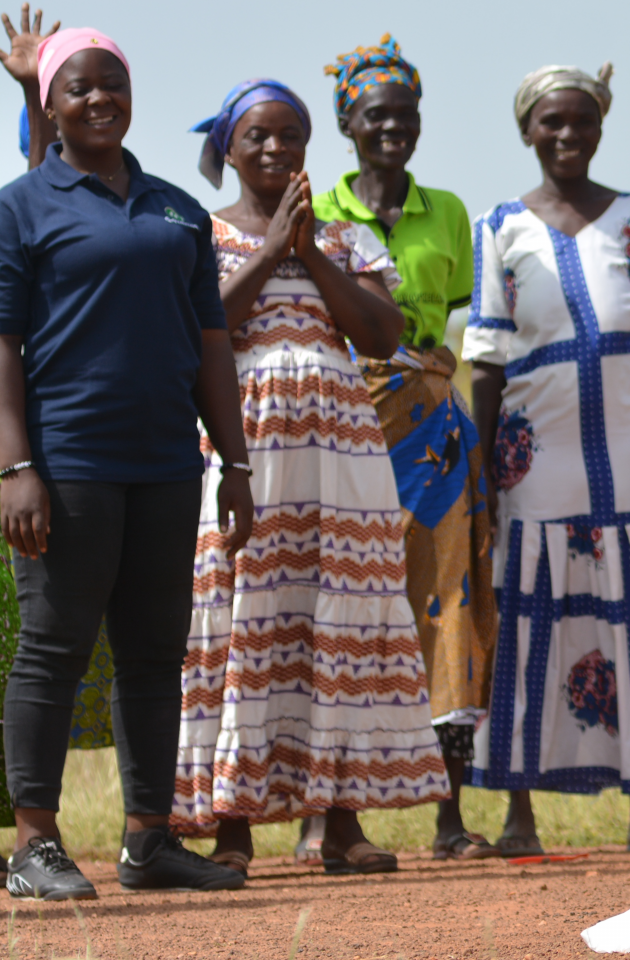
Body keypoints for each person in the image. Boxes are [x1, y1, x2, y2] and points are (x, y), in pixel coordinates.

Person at [171, 78, 449, 877]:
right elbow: (202, 327)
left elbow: (383, 332)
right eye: (257, 136)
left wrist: (308, 253)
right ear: (227, 148)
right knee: (243, 617)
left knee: (339, 618)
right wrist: (267, 254)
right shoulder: (199, 234)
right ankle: (232, 829)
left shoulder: (341, 238)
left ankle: (342, 819)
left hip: (339, 454)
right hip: (242, 446)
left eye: (289, 135)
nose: (274, 148)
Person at [0, 23, 253, 899]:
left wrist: (236, 462)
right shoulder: (21, 206)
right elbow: (2, 344)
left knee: (155, 651)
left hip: (166, 464)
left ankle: (149, 841)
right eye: (78, 87)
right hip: (66, 462)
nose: (100, 98)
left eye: (113, 83)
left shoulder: (178, 208)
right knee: (55, 647)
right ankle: (35, 845)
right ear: (51, 106)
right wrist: (13, 469)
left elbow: (211, 343)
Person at [464, 63, 630, 855]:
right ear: (527, 131)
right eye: (550, 123)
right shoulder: (501, 227)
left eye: (581, 122)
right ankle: (518, 817)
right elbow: (487, 361)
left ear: (600, 126)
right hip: (533, 464)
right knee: (530, 626)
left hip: (628, 459)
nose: (567, 136)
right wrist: (481, 469)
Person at [311, 35, 501, 862]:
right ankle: (325, 816)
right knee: (341, 601)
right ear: (347, 123)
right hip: (345, 423)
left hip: (433, 431)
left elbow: (465, 325)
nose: (395, 128)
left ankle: (448, 817)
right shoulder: (316, 215)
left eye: (407, 115)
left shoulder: (451, 213)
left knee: (448, 600)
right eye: (377, 115)